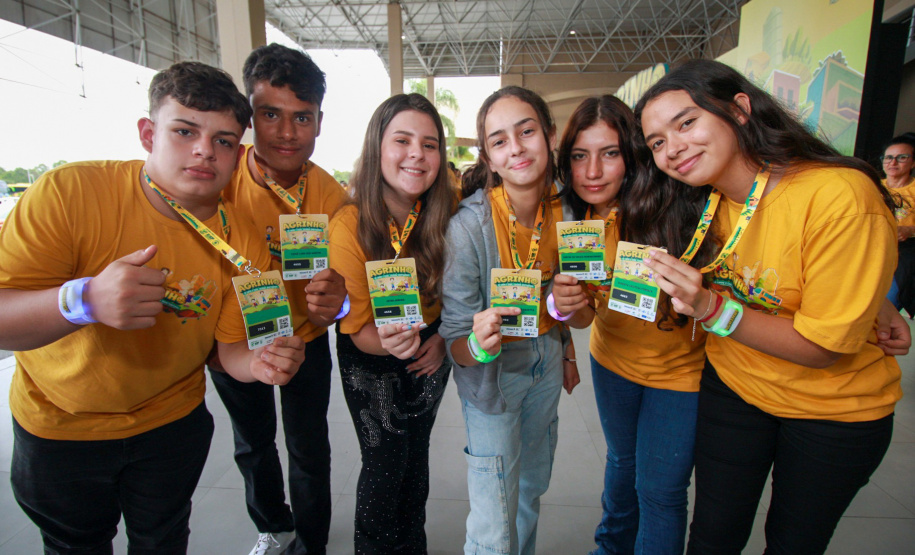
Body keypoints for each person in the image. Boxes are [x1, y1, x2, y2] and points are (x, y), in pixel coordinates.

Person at [0, 61, 306, 554]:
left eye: (224, 140)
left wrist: (259, 363)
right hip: (60, 429)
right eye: (185, 131)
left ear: (237, 154)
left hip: (172, 425)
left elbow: (231, 350)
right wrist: (84, 301)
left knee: (163, 542)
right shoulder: (68, 194)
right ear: (148, 133)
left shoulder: (245, 240)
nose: (204, 150)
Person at [636, 59, 903, 554]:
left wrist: (711, 309)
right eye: (656, 142)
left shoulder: (838, 196)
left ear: (740, 109)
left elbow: (823, 347)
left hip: (833, 412)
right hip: (735, 388)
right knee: (711, 535)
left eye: (686, 123)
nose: (671, 149)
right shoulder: (702, 200)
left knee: (792, 544)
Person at [551, 95, 718, 554]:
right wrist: (566, 305)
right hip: (612, 363)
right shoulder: (574, 219)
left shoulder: (677, 202)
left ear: (632, 154)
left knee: (660, 491)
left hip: (680, 375)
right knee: (622, 464)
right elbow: (585, 316)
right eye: (580, 156)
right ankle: (609, 547)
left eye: (609, 153)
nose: (593, 172)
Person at [210, 43, 347, 555]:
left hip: (304, 339)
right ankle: (273, 525)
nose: (287, 132)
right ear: (249, 116)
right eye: (271, 114)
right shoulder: (219, 181)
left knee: (308, 447)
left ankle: (311, 543)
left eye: (302, 117)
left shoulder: (332, 197)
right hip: (235, 338)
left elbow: (349, 289)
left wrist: (339, 300)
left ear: (319, 122)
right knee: (252, 442)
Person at [439, 86, 576, 555]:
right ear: (489, 159)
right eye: (499, 141)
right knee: (494, 517)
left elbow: (559, 298)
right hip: (492, 376)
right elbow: (455, 342)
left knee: (530, 490)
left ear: (550, 136)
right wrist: (479, 345)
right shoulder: (467, 228)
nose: (515, 148)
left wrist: (565, 342)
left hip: (546, 361)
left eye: (526, 131)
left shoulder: (567, 211)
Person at [327, 93, 454, 553]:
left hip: (430, 349)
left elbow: (461, 296)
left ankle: (412, 545)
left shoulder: (448, 212)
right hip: (370, 354)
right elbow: (358, 330)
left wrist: (442, 339)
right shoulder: (349, 225)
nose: (417, 154)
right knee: (384, 464)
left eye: (430, 144)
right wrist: (393, 345)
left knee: (416, 459)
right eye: (402, 140)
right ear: (377, 147)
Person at [881, 133, 915, 318]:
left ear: (913, 163)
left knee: (888, 302)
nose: (893, 162)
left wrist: (910, 230)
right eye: (888, 157)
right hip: (870, 248)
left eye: (901, 157)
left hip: (903, 252)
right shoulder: (872, 186)